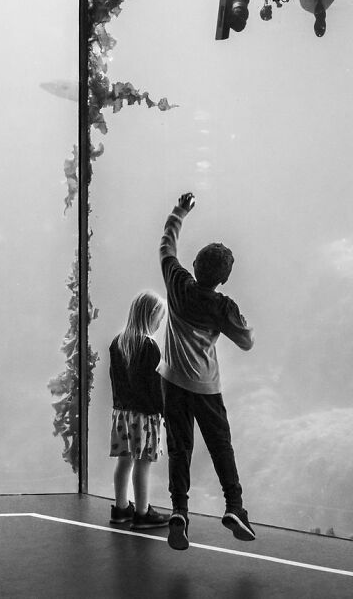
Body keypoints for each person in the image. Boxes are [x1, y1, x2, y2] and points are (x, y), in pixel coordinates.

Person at [157, 191, 255, 552]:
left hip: (171, 382)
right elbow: (246, 341)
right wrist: (237, 320)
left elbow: (167, 244)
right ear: (223, 278)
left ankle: (179, 512)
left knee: (179, 447)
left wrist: (180, 211)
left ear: (194, 265)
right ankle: (234, 507)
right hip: (205, 387)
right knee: (220, 446)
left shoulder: (177, 282)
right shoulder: (223, 305)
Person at [108, 290, 170, 530]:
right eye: (160, 318)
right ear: (152, 315)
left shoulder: (118, 342)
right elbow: (154, 386)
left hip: (122, 414)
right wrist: (162, 412)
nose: (160, 324)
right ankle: (142, 513)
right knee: (143, 462)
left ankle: (121, 508)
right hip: (145, 415)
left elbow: (117, 380)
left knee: (124, 461)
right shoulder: (149, 345)